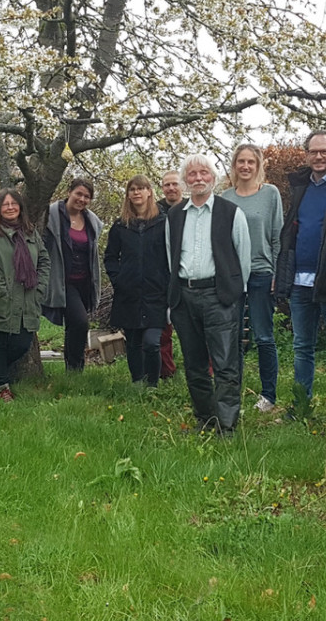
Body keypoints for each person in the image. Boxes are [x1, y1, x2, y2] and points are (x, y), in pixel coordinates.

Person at [275, 130, 326, 427]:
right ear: (307, 154)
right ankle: (300, 408)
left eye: (325, 151)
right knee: (302, 347)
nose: (319, 157)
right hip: (300, 281)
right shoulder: (301, 187)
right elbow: (292, 232)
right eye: (314, 152)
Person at [165, 154, 251, 436]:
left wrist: (234, 294)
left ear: (214, 178)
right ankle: (205, 420)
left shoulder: (230, 213)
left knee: (226, 364)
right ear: (185, 181)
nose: (198, 178)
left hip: (219, 297)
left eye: (204, 173)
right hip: (185, 298)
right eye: (192, 174)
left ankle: (227, 426)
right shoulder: (175, 215)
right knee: (194, 365)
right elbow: (171, 256)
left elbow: (243, 259)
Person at [221, 144, 283, 412]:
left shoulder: (270, 194)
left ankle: (268, 396)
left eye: (251, 162)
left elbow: (277, 235)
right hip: (233, 275)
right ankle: (232, 391)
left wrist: (278, 273)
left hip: (261, 272)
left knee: (264, 336)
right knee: (232, 337)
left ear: (258, 166)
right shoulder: (224, 197)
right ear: (234, 166)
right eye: (240, 162)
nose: (245, 166)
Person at [0, 189, 50, 402]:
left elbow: (44, 260)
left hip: (27, 299)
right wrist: (2, 287)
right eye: (5, 204)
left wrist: (40, 286)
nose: (9, 207)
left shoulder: (30, 233)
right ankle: (1, 385)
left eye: (13, 204)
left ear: (20, 207)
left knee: (22, 343)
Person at [104, 176, 170, 387]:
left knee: (151, 342)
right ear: (128, 195)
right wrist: (119, 280)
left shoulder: (163, 222)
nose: (136, 193)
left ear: (150, 192)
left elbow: (172, 256)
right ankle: (136, 382)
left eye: (141, 188)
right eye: (132, 189)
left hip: (156, 294)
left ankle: (153, 384)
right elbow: (111, 257)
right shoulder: (120, 225)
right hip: (129, 294)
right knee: (132, 342)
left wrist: (167, 284)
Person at [42, 179, 102, 372]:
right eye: (79, 194)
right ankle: (76, 368)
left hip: (85, 281)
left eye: (86, 196)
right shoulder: (52, 215)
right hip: (63, 281)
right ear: (69, 192)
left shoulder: (91, 221)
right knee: (80, 322)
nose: (82, 199)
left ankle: (71, 369)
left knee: (73, 325)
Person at [156, 170, 184, 379]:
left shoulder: (192, 208)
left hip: (188, 273)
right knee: (164, 329)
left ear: (182, 185)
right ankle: (167, 371)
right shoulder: (155, 211)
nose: (171, 188)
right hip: (162, 274)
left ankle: (204, 369)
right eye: (167, 185)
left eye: (174, 184)